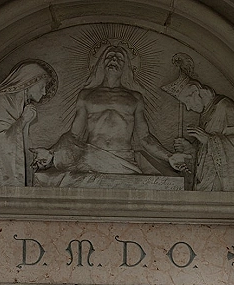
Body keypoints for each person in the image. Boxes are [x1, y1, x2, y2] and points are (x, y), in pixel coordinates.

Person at [31, 43, 186, 183]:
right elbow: (74, 135)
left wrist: (168, 156)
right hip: (90, 158)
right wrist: (51, 152)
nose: (114, 60)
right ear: (101, 63)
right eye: (109, 56)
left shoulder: (134, 98)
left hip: (123, 160)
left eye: (119, 58)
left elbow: (144, 137)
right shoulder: (86, 95)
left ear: (126, 67)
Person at [162, 58, 234, 192]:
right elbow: (205, 154)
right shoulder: (205, 114)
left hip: (219, 183)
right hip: (206, 182)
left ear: (195, 91)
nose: (188, 108)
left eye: (187, 100)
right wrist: (190, 149)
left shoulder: (224, 107)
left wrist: (209, 139)